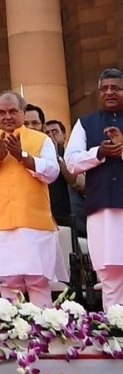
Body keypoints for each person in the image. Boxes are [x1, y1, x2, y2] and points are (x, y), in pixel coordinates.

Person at [0, 91, 66, 307]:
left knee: (38, 282)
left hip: (35, 225)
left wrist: (22, 156)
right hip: (1, 225)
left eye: (13, 111)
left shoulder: (41, 140)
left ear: (23, 112)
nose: (7, 116)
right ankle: (13, 336)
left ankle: (43, 332)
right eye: (2, 112)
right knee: (10, 285)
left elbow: (51, 172)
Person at [65, 67, 123, 310]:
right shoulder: (85, 123)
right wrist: (99, 153)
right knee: (109, 274)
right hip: (102, 209)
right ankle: (115, 330)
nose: (109, 92)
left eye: (116, 88)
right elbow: (71, 162)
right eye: (104, 89)